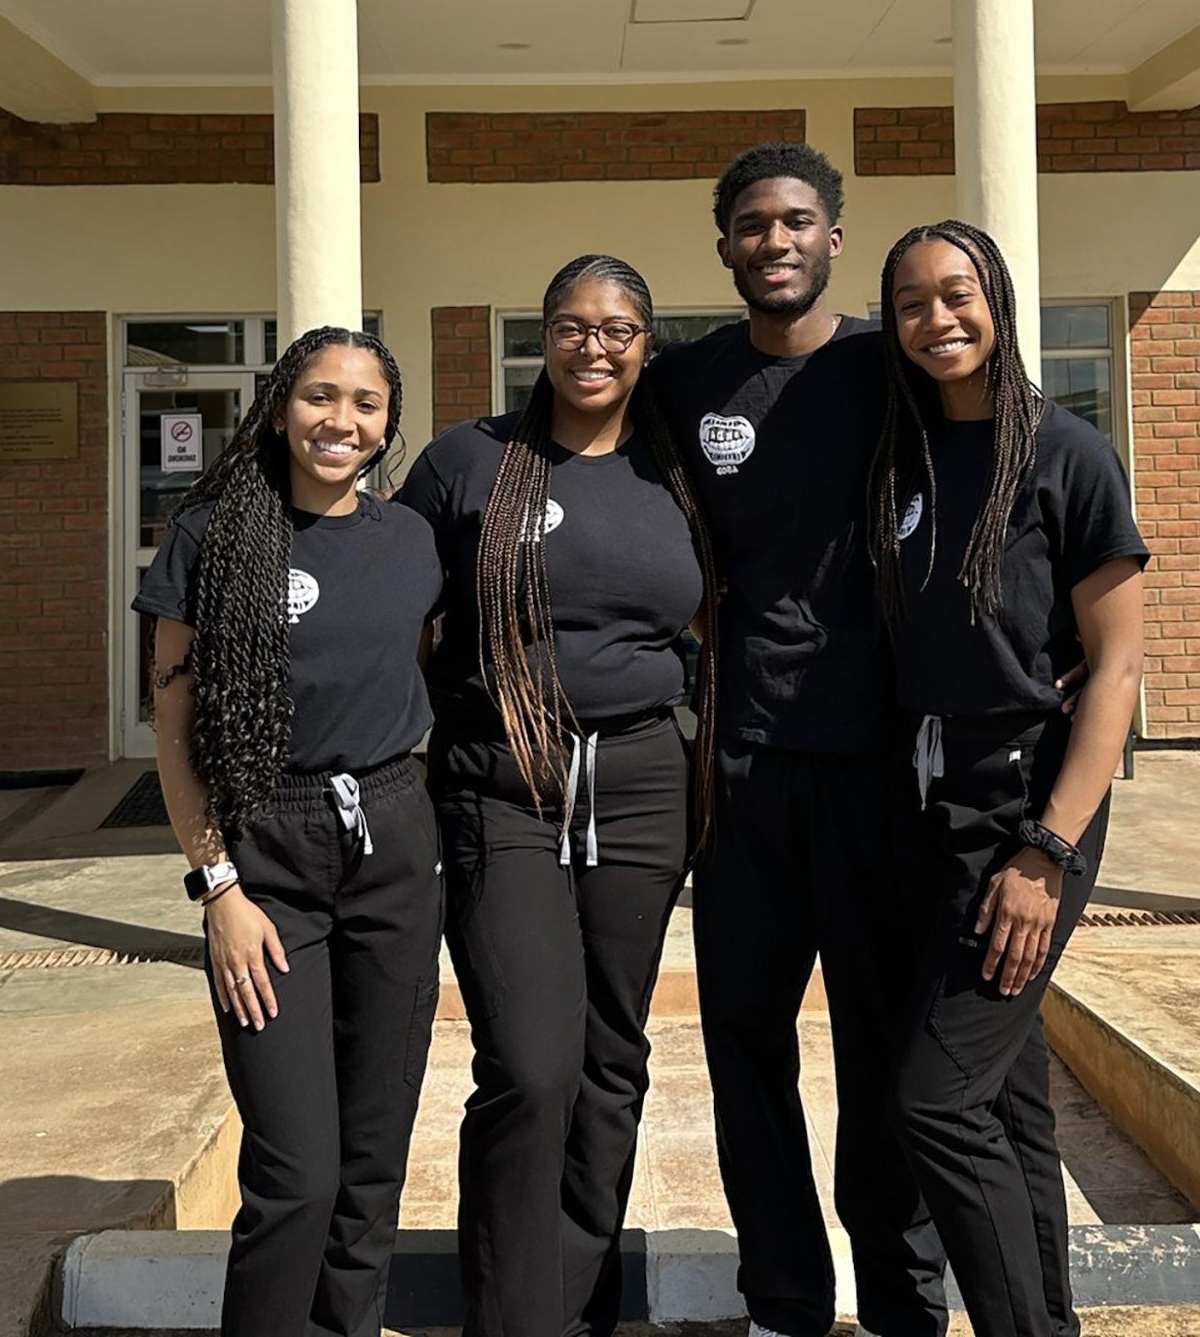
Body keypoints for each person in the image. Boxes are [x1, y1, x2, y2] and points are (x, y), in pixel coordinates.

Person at [645, 145, 948, 1337]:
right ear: (722, 244)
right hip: (740, 776)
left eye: (798, 221)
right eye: (752, 224)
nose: (775, 240)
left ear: (834, 238)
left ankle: (901, 1296)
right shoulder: (684, 383)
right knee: (747, 1053)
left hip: (876, 771)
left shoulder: (896, 368)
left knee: (881, 1055)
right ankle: (782, 1297)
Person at [396, 255, 716, 1337]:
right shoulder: (468, 464)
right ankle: (512, 1315)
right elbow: (387, 607)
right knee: (533, 1063)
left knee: (613, 1054)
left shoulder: (676, 474)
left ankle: (579, 1309)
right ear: (542, 335)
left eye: (619, 328)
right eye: (573, 326)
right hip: (503, 787)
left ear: (646, 344)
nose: (595, 345)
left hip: (639, 782)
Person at [134, 325, 444, 1337]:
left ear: (388, 422)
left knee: (371, 1166)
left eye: (364, 403)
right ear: (279, 405)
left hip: (395, 839)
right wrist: (216, 886)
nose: (339, 420)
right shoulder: (214, 534)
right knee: (297, 1170)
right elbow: (173, 729)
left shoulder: (409, 542)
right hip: (266, 848)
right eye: (320, 396)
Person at [868, 222, 1147, 1337]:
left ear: (999, 303)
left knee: (931, 1101)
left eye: (957, 295)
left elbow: (1117, 664)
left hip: (1028, 807)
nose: (937, 320)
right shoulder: (900, 457)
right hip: (920, 805)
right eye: (911, 304)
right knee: (1007, 1098)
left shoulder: (1066, 454)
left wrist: (1048, 852)